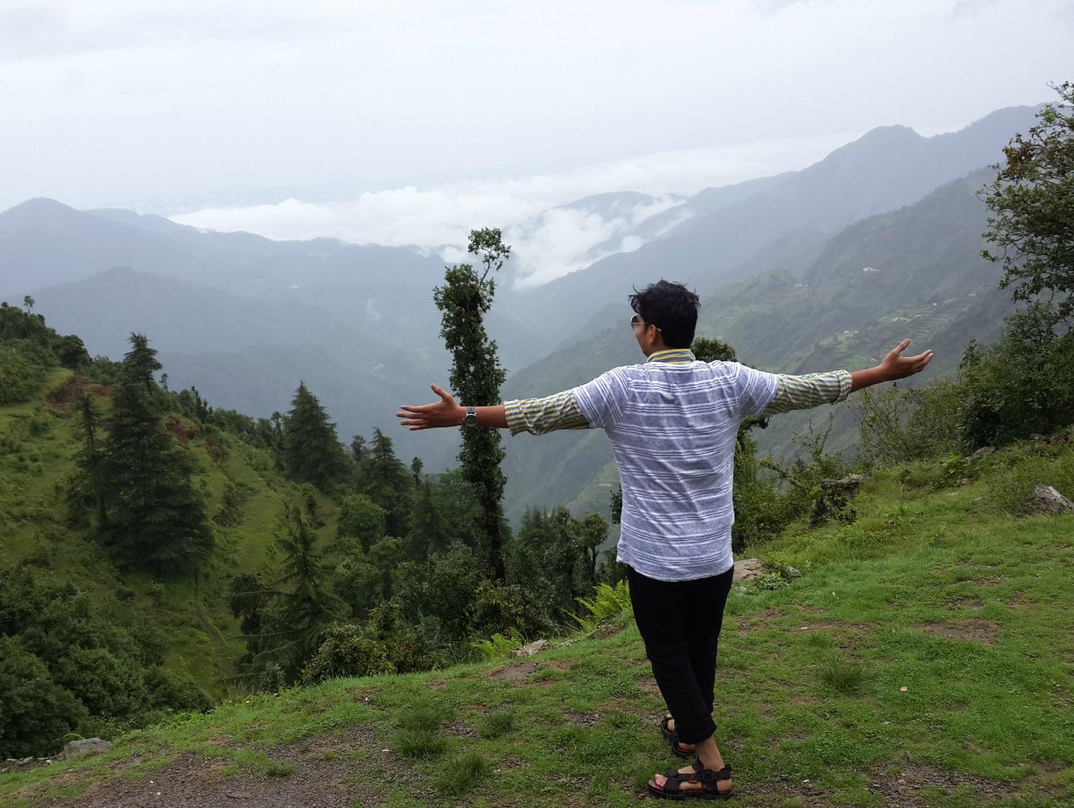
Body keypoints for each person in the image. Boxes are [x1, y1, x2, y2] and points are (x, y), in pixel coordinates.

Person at [397, 279, 933, 800]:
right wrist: (880, 374)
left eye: (637, 321)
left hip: (656, 559)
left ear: (652, 331)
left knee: (669, 655)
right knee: (700, 647)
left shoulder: (621, 387)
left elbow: (539, 412)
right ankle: (688, 729)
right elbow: (805, 389)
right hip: (714, 553)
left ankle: (712, 769)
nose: (635, 329)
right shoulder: (730, 380)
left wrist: (463, 415)